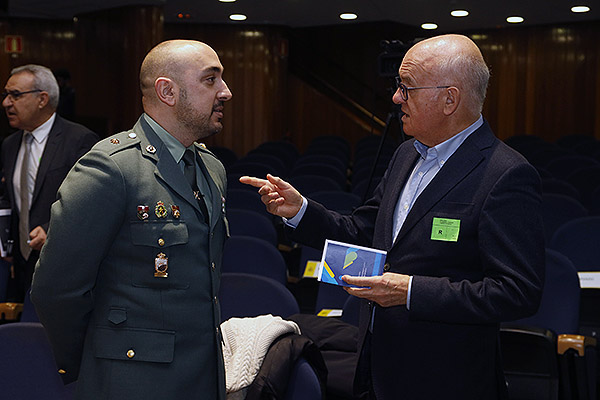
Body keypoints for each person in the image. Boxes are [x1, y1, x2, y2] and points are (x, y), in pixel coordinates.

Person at [241, 34, 545, 399]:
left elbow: (517, 291)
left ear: (450, 99)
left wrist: (411, 291)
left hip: (446, 379)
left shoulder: (505, 174)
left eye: (407, 88)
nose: (396, 98)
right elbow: (362, 232)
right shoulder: (406, 156)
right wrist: (301, 212)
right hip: (377, 366)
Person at [31, 40, 233, 399]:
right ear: (167, 91)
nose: (226, 92)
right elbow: (56, 289)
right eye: (211, 80)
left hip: (205, 375)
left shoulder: (211, 168)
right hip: (132, 381)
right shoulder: (111, 168)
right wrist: (99, 357)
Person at [0, 64, 98, 301]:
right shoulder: (10, 144)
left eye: (15, 95)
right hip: (20, 265)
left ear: (42, 99)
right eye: (5, 95)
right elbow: (9, 197)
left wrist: (51, 228)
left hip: (61, 265)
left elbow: (90, 201)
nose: (6, 103)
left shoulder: (79, 140)